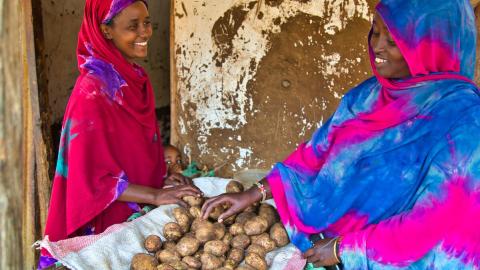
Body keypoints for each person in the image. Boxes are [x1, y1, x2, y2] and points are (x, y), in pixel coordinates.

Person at [202, 0, 480, 268]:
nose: (377, 46)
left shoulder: (463, 119)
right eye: (376, 30)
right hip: (323, 242)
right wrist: (255, 192)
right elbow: (314, 156)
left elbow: (441, 222)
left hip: (392, 257)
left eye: (393, 41)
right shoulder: (368, 95)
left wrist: (345, 249)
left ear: (431, 47)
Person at [38, 0, 201, 268]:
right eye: (132, 26)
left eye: (147, 23)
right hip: (105, 221)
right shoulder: (91, 92)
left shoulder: (136, 78)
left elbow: (137, 151)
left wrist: (163, 176)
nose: (144, 33)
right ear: (106, 30)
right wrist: (154, 196)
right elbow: (90, 179)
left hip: (140, 210)